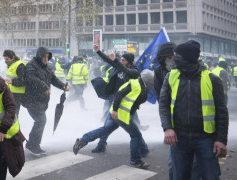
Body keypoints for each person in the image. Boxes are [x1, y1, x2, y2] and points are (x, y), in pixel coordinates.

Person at [159, 40, 229, 180]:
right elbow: (163, 105)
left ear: (187, 57)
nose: (174, 59)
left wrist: (221, 139)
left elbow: (222, 111)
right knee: (180, 176)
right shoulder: (171, 76)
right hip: (179, 139)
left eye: (177, 55)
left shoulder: (212, 79)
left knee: (211, 176)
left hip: (206, 140)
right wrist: (167, 128)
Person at [73, 44, 150, 168]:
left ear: (129, 62)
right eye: (120, 60)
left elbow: (125, 70)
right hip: (119, 108)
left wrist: (115, 61)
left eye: (123, 60)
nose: (120, 61)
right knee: (135, 134)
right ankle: (136, 159)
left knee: (109, 130)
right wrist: (98, 52)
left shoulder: (134, 72)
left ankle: (84, 140)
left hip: (122, 107)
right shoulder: (121, 68)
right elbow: (110, 62)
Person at [25, 47, 70, 156]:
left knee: (40, 121)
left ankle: (33, 144)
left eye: (47, 57)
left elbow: (53, 79)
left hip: (42, 100)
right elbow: (31, 78)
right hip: (32, 99)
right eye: (44, 57)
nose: (46, 59)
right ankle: (32, 145)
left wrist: (63, 86)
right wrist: (44, 87)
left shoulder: (47, 67)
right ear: (39, 56)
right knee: (41, 120)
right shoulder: (31, 65)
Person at [3, 50, 26, 116]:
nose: (5, 61)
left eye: (7, 59)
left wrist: (12, 81)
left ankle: (14, 126)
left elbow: (23, 80)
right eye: (5, 59)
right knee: (9, 114)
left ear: (13, 57)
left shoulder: (20, 65)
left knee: (13, 115)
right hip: (10, 93)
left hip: (17, 94)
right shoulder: (11, 64)